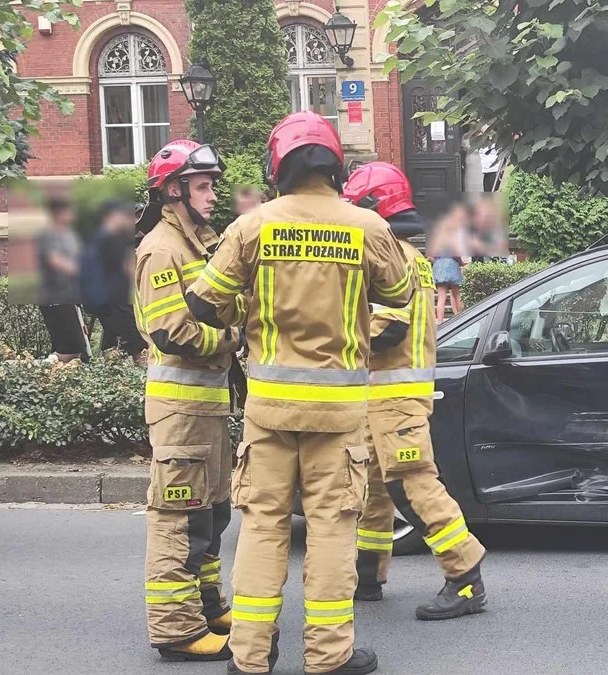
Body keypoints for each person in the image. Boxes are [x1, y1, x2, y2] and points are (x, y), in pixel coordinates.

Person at [186, 111, 416, 675]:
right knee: (334, 530)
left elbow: (201, 302)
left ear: (277, 165)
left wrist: (250, 307)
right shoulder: (365, 226)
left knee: (263, 528)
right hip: (338, 418)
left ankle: (251, 653)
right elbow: (402, 291)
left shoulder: (253, 226)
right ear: (336, 165)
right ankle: (328, 655)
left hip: (268, 411)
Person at [342, 162, 489, 620]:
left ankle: (465, 578)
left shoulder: (390, 256)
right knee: (373, 488)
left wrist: (333, 340)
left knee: (414, 485)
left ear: (373, 207)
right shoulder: (409, 255)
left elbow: (385, 329)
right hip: (388, 393)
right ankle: (367, 575)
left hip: (393, 396)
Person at [132, 140, 242, 663]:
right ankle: (175, 630)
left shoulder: (198, 244)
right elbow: (172, 333)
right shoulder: (162, 248)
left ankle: (206, 605)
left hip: (207, 412)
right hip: (180, 414)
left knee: (211, 514)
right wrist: (231, 339)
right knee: (178, 518)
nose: (213, 194)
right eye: (204, 186)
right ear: (172, 191)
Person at [81, 200, 146, 359]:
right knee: (140, 348)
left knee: (114, 346)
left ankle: (111, 375)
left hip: (105, 301)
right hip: (114, 301)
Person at [37, 195, 91, 362]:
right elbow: (57, 262)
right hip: (57, 299)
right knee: (73, 350)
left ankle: (49, 374)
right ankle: (39, 371)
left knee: (73, 349)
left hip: (67, 297)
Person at [428, 202, 469, 322]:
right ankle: (459, 319)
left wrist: (437, 262)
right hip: (451, 265)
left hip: (439, 266)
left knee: (441, 297)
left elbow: (430, 255)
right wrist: (462, 262)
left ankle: (440, 322)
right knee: (456, 295)